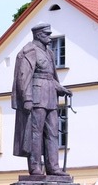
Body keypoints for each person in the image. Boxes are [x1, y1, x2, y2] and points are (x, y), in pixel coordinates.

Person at [11, 22, 72, 176]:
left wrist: (61, 88)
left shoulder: (49, 53)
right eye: (47, 34)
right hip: (36, 97)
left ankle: (53, 167)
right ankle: (35, 167)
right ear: (38, 35)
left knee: (53, 132)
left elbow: (50, 77)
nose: (50, 37)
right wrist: (27, 98)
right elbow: (23, 77)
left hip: (51, 97)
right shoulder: (29, 51)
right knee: (35, 133)